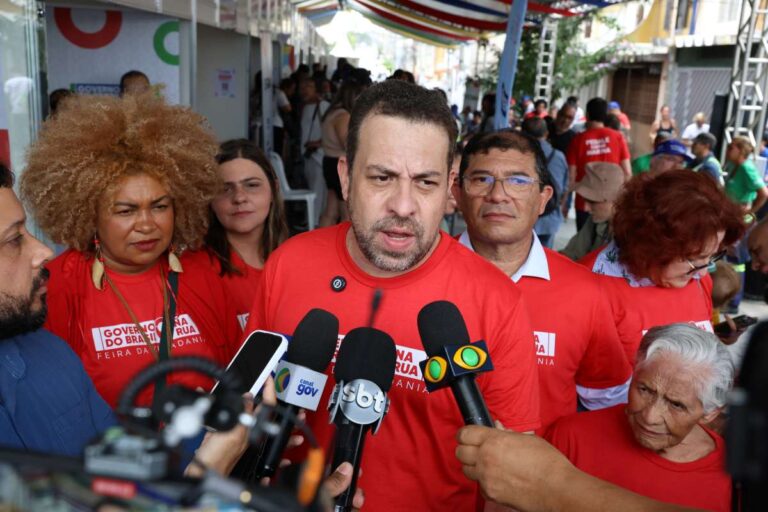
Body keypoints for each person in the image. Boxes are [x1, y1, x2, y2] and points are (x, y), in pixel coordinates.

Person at [245, 80, 541, 511]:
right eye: (382, 177)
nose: (403, 206)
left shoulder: (496, 300)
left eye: (425, 182)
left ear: (450, 187)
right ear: (345, 177)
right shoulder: (288, 264)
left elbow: (514, 486)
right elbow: (248, 413)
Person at [20, 93, 242, 408]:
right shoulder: (57, 285)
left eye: (160, 206)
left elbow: (235, 373)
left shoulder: (202, 273)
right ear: (89, 215)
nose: (147, 224)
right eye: (126, 211)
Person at [453, 129, 630, 432]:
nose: (498, 195)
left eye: (518, 181)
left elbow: (607, 400)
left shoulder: (585, 292)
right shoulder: (419, 276)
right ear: (457, 193)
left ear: (543, 199)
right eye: (481, 179)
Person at [546, 324, 733, 512]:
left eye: (676, 405)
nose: (650, 417)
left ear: (711, 413)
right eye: (644, 390)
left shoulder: (732, 478)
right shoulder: (572, 436)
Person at [0, 163, 115, 456]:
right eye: (14, 240)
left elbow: (119, 460)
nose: (45, 252)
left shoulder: (51, 351)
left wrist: (208, 450)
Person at [584, 170, 745, 365]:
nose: (703, 272)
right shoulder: (591, 286)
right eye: (693, 258)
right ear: (651, 247)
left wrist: (714, 340)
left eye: (713, 255)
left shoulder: (698, 278)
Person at [186, 139, 289, 329]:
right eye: (225, 189)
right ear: (210, 199)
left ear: (274, 189)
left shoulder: (295, 260)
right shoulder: (195, 270)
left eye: (252, 185)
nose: (239, 198)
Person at [566, 97, 631, 231]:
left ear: (587, 115)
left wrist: (564, 201)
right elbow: (627, 173)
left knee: (584, 241)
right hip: (611, 203)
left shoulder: (578, 140)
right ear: (605, 115)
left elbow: (571, 176)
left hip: (585, 202)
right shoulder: (617, 137)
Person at [319, 76, 368, 227]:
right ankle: (339, 242)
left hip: (329, 162)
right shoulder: (343, 116)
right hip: (339, 164)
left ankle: (322, 240)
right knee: (346, 214)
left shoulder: (332, 112)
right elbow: (348, 144)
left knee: (330, 211)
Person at [560, 162, 624, 261]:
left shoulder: (633, 235)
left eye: (593, 202)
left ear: (615, 201)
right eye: (586, 200)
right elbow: (571, 253)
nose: (586, 208)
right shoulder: (596, 221)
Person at [521, 118, 568, 248]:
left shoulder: (518, 156)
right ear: (546, 133)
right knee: (545, 255)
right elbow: (565, 188)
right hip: (550, 217)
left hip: (523, 218)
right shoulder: (558, 156)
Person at [299, 77, 330, 223]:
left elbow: (331, 130)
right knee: (314, 190)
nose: (304, 90)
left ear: (316, 90)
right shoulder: (305, 107)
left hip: (319, 156)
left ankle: (315, 222)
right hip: (308, 156)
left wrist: (318, 143)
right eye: (302, 87)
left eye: (309, 86)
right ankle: (312, 220)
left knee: (318, 192)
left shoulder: (323, 106)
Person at [724, 136, 768, 215]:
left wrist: (749, 212)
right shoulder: (732, 164)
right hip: (729, 211)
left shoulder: (746, 168)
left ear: (741, 150)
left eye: (730, 148)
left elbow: (764, 194)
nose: (727, 150)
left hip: (738, 215)